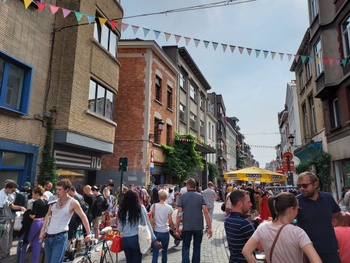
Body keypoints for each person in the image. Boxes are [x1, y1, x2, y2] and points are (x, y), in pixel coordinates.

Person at [242, 192, 322, 263]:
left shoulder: (262, 227)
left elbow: (246, 251)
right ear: (291, 210)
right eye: (298, 209)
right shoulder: (297, 232)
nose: (298, 212)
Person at [296, 171, 350, 263]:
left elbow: (338, 215)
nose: (302, 188)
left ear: (315, 184)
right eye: (299, 186)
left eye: (305, 185)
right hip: (308, 251)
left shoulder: (327, 198)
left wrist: (346, 217)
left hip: (330, 249)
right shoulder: (297, 201)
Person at [39, 179, 92, 263]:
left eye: (59, 189)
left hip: (60, 237)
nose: (57, 191)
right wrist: (43, 229)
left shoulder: (73, 202)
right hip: (49, 236)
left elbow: (83, 217)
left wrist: (89, 233)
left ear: (67, 190)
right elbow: (48, 215)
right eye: (56, 189)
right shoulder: (54, 199)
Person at [118, 190, 161, 262]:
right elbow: (146, 223)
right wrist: (154, 239)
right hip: (136, 239)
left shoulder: (121, 210)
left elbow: (120, 228)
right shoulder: (140, 208)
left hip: (125, 240)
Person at [175, 178, 212, 263]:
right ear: (195, 186)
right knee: (197, 247)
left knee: (185, 246)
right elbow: (206, 212)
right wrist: (210, 227)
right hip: (198, 226)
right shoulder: (200, 197)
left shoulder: (183, 197)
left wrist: (177, 227)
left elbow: (179, 213)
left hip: (187, 226)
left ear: (187, 186)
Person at [19, 185, 48, 263]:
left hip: (35, 222)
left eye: (33, 194)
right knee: (37, 243)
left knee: (25, 241)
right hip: (42, 222)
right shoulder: (46, 201)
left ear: (37, 194)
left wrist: (28, 212)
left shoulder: (36, 202)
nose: (32, 195)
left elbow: (33, 216)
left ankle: (20, 260)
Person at [224, 189, 255, 263]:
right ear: (240, 204)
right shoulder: (244, 224)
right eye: (248, 202)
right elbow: (260, 247)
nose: (251, 204)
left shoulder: (227, 220)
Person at [0, 181, 26, 259]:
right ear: (7, 188)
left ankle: (7, 251)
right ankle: (4, 253)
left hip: (10, 217)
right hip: (3, 219)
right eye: (12, 190)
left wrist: (20, 207)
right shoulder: (1, 195)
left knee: (9, 235)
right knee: (5, 236)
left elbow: (12, 206)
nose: (13, 192)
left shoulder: (9, 194)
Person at [150, 189, 176, 263]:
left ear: (159, 196)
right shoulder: (169, 208)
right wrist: (174, 231)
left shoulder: (153, 206)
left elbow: (151, 218)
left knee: (155, 253)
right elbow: (170, 221)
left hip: (156, 231)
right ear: (166, 197)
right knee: (164, 252)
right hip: (165, 231)